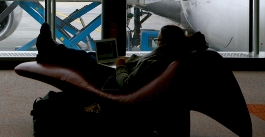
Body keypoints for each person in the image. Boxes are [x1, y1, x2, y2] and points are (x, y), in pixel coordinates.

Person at [36, 23, 186, 92]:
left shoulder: (156, 61)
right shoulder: (170, 55)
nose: (157, 43)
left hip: (114, 81)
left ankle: (50, 50)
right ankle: (52, 50)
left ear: (165, 43)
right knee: (92, 56)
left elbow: (127, 84)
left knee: (83, 59)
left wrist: (121, 66)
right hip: (126, 70)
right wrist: (130, 62)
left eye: (157, 40)